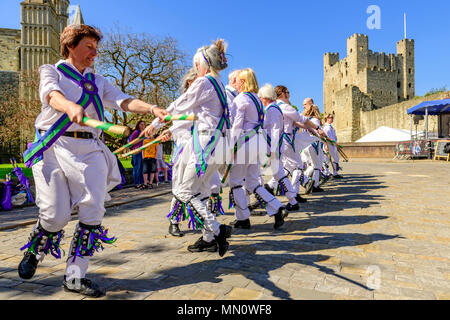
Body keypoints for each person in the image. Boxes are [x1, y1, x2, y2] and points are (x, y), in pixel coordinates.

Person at [18, 24, 168, 298]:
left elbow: (122, 101)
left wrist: (151, 108)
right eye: (89, 47)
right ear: (70, 46)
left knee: (92, 210)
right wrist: (69, 106)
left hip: (89, 149)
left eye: (96, 48)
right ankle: (35, 249)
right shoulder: (51, 71)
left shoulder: (98, 82)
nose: (94, 53)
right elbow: (51, 94)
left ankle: (75, 276)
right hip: (53, 145)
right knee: (55, 214)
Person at [145, 40, 232, 256]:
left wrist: (155, 124)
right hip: (220, 144)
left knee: (183, 191)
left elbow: (179, 105)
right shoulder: (219, 85)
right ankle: (208, 238)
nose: (195, 70)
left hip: (206, 143)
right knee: (199, 190)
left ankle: (217, 230)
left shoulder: (203, 83)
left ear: (204, 64)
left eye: (196, 65)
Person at [228, 69, 287, 230]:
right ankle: (276, 207)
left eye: (240, 80)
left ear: (244, 82)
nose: (237, 83)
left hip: (244, 143)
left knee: (236, 182)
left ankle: (243, 218)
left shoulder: (241, 99)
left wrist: (231, 146)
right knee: (253, 181)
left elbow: (236, 126)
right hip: (256, 143)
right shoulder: (257, 100)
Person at [258, 83, 299, 211]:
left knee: (279, 174)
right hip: (272, 146)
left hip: (272, 147)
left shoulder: (272, 110)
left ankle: (291, 200)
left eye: (261, 97)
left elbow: (275, 131)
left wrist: (272, 150)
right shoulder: (272, 109)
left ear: (266, 97)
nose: (260, 99)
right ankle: (292, 200)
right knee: (279, 174)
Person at [301, 101, 326, 193]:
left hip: (306, 145)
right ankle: (313, 184)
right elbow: (317, 132)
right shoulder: (315, 120)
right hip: (314, 144)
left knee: (313, 165)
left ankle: (305, 179)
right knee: (317, 166)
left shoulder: (305, 119)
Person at [323, 113, 343, 179]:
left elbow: (333, 136)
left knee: (336, 158)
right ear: (326, 118)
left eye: (332, 118)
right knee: (326, 160)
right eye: (330, 118)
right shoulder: (326, 127)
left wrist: (336, 143)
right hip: (329, 145)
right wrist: (326, 145)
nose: (332, 119)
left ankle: (335, 173)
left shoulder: (330, 127)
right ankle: (326, 173)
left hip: (333, 144)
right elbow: (324, 137)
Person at [129, 121, 146, 188]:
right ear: (138, 125)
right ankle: (136, 183)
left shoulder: (144, 133)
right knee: (137, 167)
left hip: (143, 152)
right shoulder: (136, 132)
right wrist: (134, 149)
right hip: (137, 152)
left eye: (144, 124)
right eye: (141, 124)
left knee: (142, 168)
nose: (143, 125)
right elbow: (130, 142)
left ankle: (141, 182)